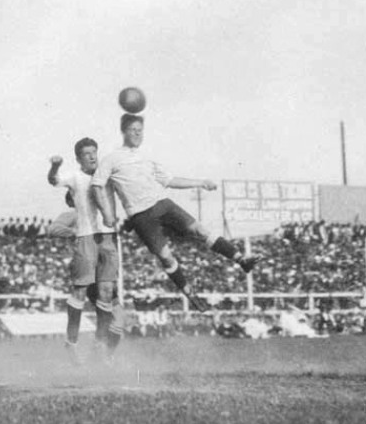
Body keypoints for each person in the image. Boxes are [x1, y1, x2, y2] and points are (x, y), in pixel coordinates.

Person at [92, 114, 257, 310]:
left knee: (200, 230)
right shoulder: (111, 159)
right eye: (133, 129)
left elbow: (169, 180)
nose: (137, 133)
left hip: (163, 203)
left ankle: (241, 259)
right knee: (166, 256)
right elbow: (97, 185)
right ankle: (190, 293)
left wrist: (201, 183)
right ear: (123, 131)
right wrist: (107, 214)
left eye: (140, 130)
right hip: (141, 215)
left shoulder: (147, 156)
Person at [48, 138, 121, 363]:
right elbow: (53, 180)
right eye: (86, 153)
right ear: (79, 158)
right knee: (80, 291)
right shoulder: (75, 177)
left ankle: (100, 345)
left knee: (107, 293)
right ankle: (71, 343)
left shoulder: (107, 175)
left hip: (108, 238)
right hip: (85, 237)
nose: (92, 156)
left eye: (94, 152)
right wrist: (55, 166)